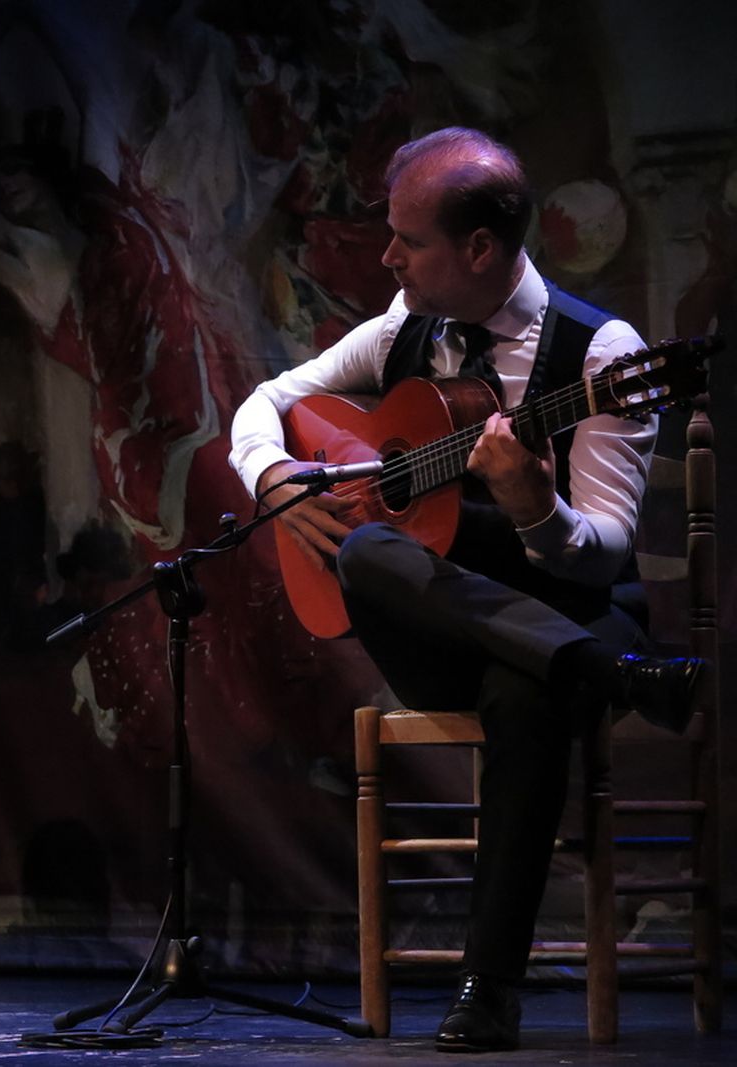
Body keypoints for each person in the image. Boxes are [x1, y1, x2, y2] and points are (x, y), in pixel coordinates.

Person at [228, 128, 705, 1053]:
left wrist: (535, 508)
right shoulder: (397, 332)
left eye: (407, 239)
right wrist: (272, 477)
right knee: (367, 551)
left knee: (527, 693)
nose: (387, 256)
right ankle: (616, 673)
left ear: (479, 248)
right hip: (440, 631)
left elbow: (602, 553)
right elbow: (266, 400)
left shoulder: (604, 355)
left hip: (566, 609)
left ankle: (487, 991)